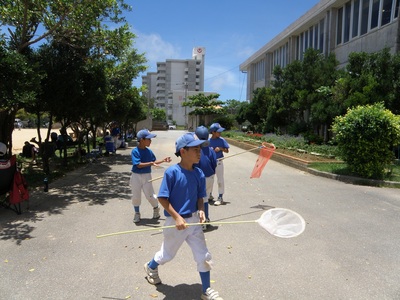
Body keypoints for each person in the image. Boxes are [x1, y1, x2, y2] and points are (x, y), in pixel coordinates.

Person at [144, 132, 223, 300]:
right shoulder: (172, 173)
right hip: (175, 222)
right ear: (182, 151)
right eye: (195, 149)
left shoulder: (199, 173)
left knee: (204, 256)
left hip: (194, 221)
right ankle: (151, 267)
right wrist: (177, 217)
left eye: (200, 148)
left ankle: (206, 290)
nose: (199, 152)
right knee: (167, 255)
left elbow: (200, 197)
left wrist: (201, 210)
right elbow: (163, 199)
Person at [130, 129, 171, 223]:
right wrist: (151, 163)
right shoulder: (135, 151)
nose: (150, 141)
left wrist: (163, 160)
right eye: (148, 139)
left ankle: (156, 209)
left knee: (150, 195)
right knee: (136, 196)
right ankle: (137, 213)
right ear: (142, 140)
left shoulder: (149, 152)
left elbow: (153, 162)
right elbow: (138, 165)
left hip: (146, 175)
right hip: (136, 176)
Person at [194, 126, 217, 231]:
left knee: (199, 199)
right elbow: (214, 164)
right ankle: (206, 218)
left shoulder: (195, 149)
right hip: (210, 177)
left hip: (199, 178)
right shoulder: (211, 150)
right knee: (206, 199)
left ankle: (201, 221)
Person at [208, 123, 229, 206]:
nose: (220, 133)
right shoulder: (208, 141)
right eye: (218, 132)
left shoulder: (222, 140)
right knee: (210, 179)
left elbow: (227, 150)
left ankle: (220, 197)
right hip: (210, 163)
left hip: (219, 162)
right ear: (213, 132)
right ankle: (209, 194)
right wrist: (210, 150)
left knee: (220, 180)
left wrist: (221, 148)